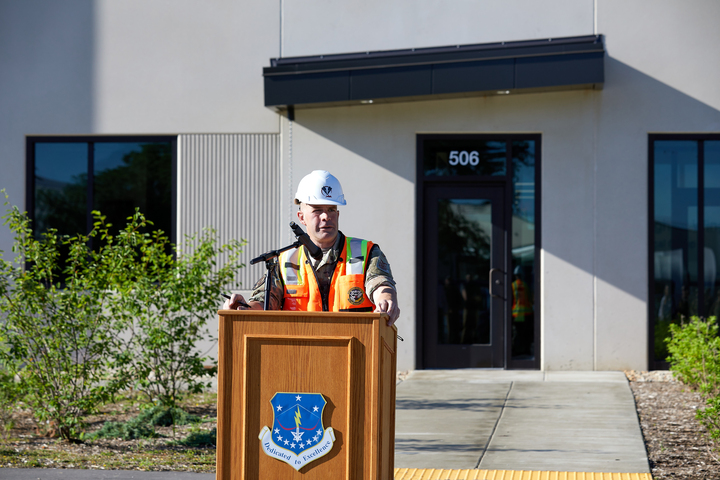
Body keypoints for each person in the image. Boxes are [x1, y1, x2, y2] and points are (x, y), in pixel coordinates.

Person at [223, 170, 400, 326]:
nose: (325, 217)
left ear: (337, 215)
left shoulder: (366, 252)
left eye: (331, 210)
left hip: (355, 350)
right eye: (317, 210)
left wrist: (386, 301)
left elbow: (380, 285)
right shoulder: (284, 260)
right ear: (301, 217)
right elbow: (265, 303)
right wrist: (242, 308)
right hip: (300, 355)